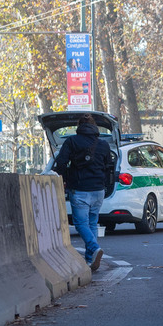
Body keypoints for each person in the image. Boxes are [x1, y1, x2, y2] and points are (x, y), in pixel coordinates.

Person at [54, 114, 115, 271]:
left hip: (80, 189)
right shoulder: (103, 145)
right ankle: (90, 259)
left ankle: (94, 248)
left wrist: (64, 178)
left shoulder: (72, 142)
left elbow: (61, 162)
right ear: (94, 126)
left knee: (81, 224)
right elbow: (109, 167)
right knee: (92, 223)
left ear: (79, 126)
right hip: (99, 190)